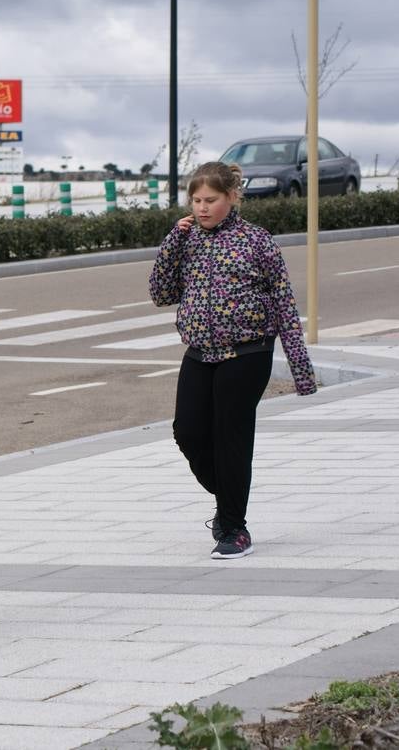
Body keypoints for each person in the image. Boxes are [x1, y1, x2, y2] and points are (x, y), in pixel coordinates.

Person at [149, 161, 316, 560]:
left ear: (232, 198)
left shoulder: (256, 241)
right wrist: (173, 239)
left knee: (231, 437)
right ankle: (227, 496)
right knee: (187, 431)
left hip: (248, 351)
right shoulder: (187, 239)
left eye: (211, 200)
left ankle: (234, 528)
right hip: (200, 352)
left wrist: (300, 371)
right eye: (196, 200)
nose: (202, 207)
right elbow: (160, 292)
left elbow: (284, 305)